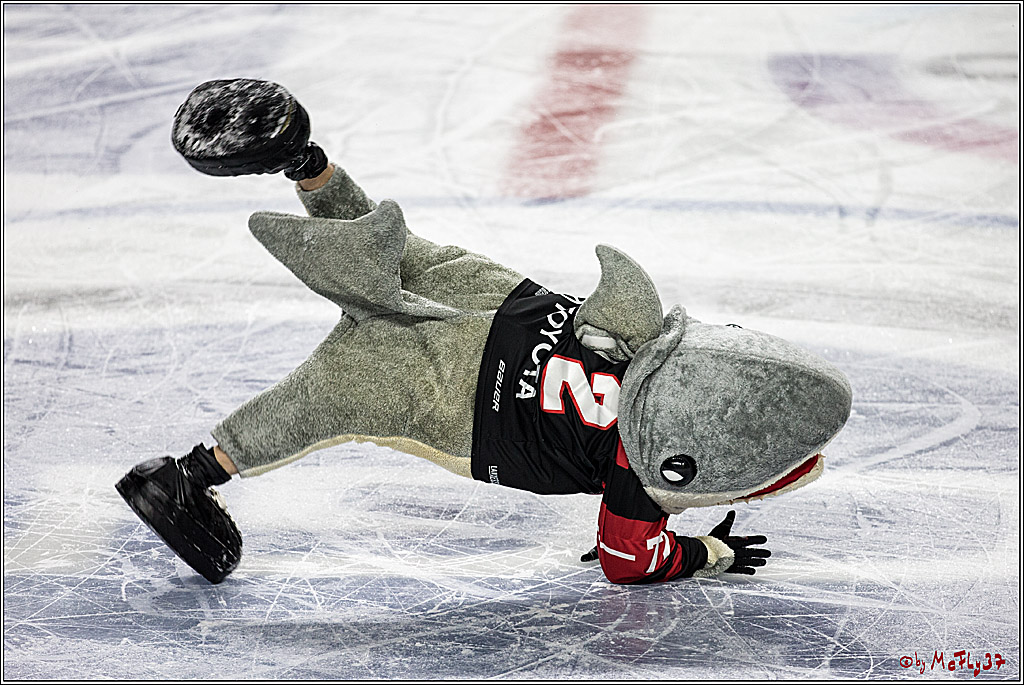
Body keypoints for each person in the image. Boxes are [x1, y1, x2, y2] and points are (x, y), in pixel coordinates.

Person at [118, 79, 851, 586]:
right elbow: (629, 556)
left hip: (501, 304)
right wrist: (707, 553)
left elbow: (632, 301)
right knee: (323, 397)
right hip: (460, 399)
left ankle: (309, 168)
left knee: (392, 253)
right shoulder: (642, 475)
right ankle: (184, 477)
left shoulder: (656, 340)